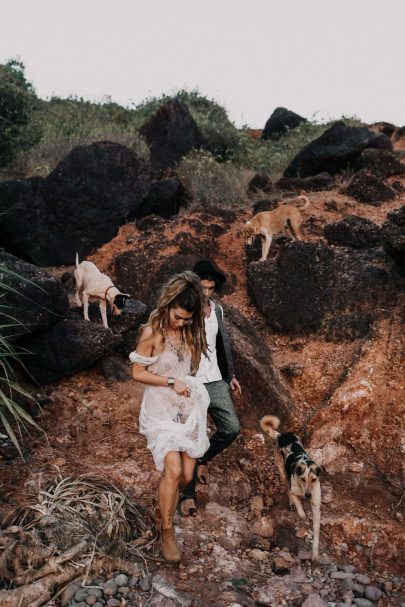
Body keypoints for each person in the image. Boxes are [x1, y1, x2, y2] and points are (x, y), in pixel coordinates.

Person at [130, 271, 210, 562]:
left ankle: (160, 512)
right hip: (159, 408)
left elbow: (188, 369)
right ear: (167, 305)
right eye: (178, 317)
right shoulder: (152, 332)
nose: (182, 323)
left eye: (188, 319)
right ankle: (166, 531)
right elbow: (137, 372)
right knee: (173, 471)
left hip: (185, 408)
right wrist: (169, 382)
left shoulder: (190, 331)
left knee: (187, 475)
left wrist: (188, 387)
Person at [180, 259, 242, 517]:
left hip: (215, 378)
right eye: (202, 288)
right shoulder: (183, 310)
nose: (207, 293)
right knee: (194, 437)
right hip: (191, 380)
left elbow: (220, 344)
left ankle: (203, 459)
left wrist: (231, 375)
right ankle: (187, 495)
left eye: (211, 289)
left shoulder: (217, 311)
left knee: (231, 427)